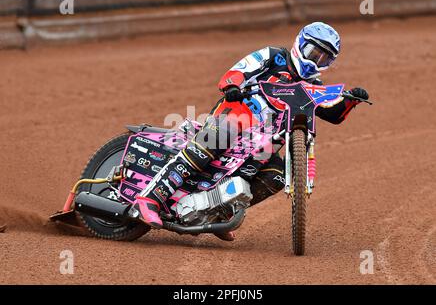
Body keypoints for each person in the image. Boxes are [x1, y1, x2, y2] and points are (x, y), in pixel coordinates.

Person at [130, 22, 369, 241]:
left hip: (261, 144)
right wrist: (232, 86)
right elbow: (237, 71)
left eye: (324, 58)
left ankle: (217, 215)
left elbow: (331, 113)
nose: (316, 60)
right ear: (300, 44)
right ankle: (150, 198)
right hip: (234, 118)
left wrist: (351, 101)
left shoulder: (314, 87)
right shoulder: (273, 56)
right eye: (313, 52)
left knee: (276, 175)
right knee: (215, 138)